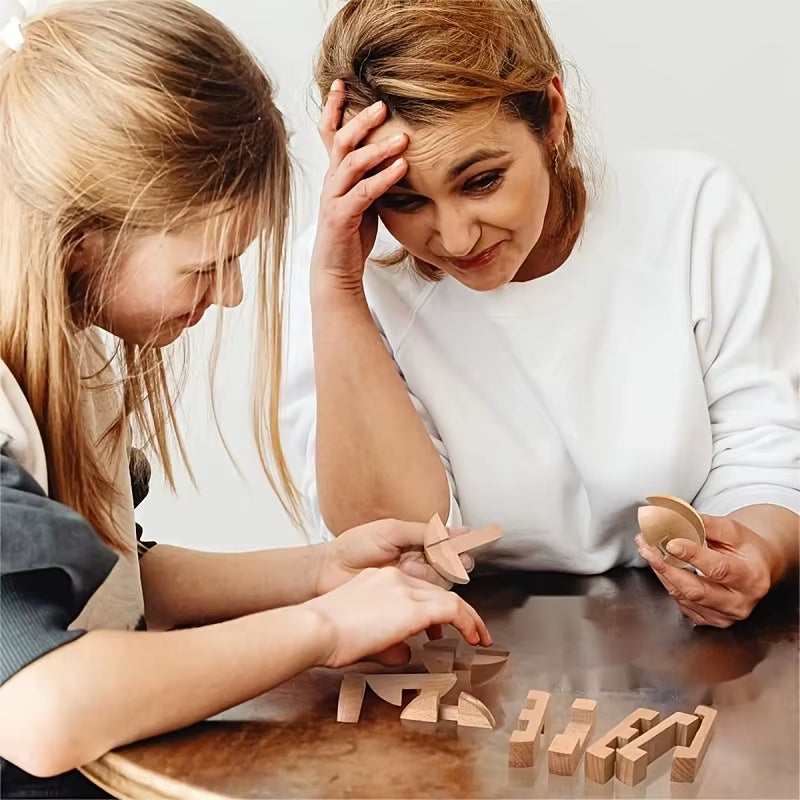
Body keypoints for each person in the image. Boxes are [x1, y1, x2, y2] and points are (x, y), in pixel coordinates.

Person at [0, 1, 491, 796]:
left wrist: (317, 571)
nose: (228, 293)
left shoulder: (63, 362)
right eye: (205, 265)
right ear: (82, 239)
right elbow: (44, 708)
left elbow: (113, 584)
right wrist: (324, 628)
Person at [282, 0, 800, 630]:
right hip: (467, 638)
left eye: (481, 181)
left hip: (685, 633)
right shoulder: (345, 267)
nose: (454, 237)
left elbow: (762, 451)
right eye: (406, 199)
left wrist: (757, 553)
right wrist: (339, 290)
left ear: (553, 112)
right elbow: (393, 538)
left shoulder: (691, 213)